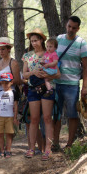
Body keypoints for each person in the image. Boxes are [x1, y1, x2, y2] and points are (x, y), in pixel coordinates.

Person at [23, 29, 59, 160]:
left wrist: (47, 75)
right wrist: (34, 73)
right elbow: (24, 74)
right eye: (32, 41)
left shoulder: (49, 53)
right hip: (33, 89)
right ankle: (32, 148)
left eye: (36, 40)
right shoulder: (27, 56)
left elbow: (58, 73)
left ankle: (48, 149)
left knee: (47, 118)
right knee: (34, 119)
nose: (34, 43)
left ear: (42, 40)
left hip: (47, 87)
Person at [53, 16, 87, 150]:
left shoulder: (81, 43)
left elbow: (86, 68)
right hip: (56, 82)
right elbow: (51, 57)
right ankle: (55, 143)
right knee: (55, 114)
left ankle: (69, 144)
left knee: (72, 114)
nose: (71, 29)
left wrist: (84, 87)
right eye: (69, 26)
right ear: (66, 25)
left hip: (72, 84)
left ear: (78, 28)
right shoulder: (59, 39)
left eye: (74, 28)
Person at [0, 73, 19, 158]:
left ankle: (8, 150)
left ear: (11, 82)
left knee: (9, 133)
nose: (4, 84)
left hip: (9, 116)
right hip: (0, 116)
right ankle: (2, 150)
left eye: (6, 82)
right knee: (0, 134)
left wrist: (15, 117)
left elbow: (15, 105)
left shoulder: (13, 93)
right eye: (2, 82)